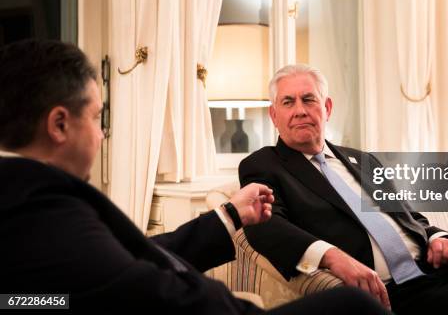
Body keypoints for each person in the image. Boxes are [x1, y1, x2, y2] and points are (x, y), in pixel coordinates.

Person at [0, 40, 391, 315]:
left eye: (309, 100)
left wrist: (230, 215)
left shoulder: (30, 196)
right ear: (59, 124)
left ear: (327, 108)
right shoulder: (41, 204)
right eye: (97, 117)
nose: (101, 134)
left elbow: (132, 260)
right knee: (354, 306)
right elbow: (139, 287)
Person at [239, 64, 448, 315]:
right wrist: (333, 256)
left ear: (326, 108)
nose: (299, 110)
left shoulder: (362, 161)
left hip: (433, 267)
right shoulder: (264, 166)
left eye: (308, 99)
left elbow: (409, 217)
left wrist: (436, 238)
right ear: (273, 115)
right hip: (393, 289)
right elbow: (266, 227)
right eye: (288, 103)